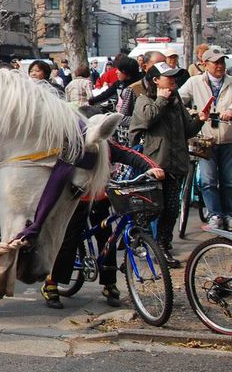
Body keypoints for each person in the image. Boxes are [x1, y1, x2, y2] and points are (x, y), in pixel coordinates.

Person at [42, 111, 165, 309]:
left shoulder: (109, 146)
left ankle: (109, 284)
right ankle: (51, 283)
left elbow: (131, 155)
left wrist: (152, 168)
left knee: (107, 239)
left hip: (101, 198)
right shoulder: (74, 146)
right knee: (68, 241)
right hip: (76, 200)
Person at [130, 63, 205, 267]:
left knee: (172, 210)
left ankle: (163, 247)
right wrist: (162, 99)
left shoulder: (177, 99)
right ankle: (140, 241)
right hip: (155, 164)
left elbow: (188, 129)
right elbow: (146, 120)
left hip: (177, 164)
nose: (173, 80)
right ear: (156, 80)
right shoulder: (144, 99)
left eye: (175, 77)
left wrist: (200, 120)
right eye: (168, 77)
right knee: (153, 208)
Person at [179, 48, 232, 230]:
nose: (220, 66)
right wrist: (193, 114)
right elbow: (178, 101)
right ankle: (215, 214)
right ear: (205, 64)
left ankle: (229, 214)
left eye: (222, 62)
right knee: (208, 180)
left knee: (229, 180)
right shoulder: (194, 82)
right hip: (203, 138)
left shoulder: (231, 82)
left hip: (228, 138)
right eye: (215, 62)